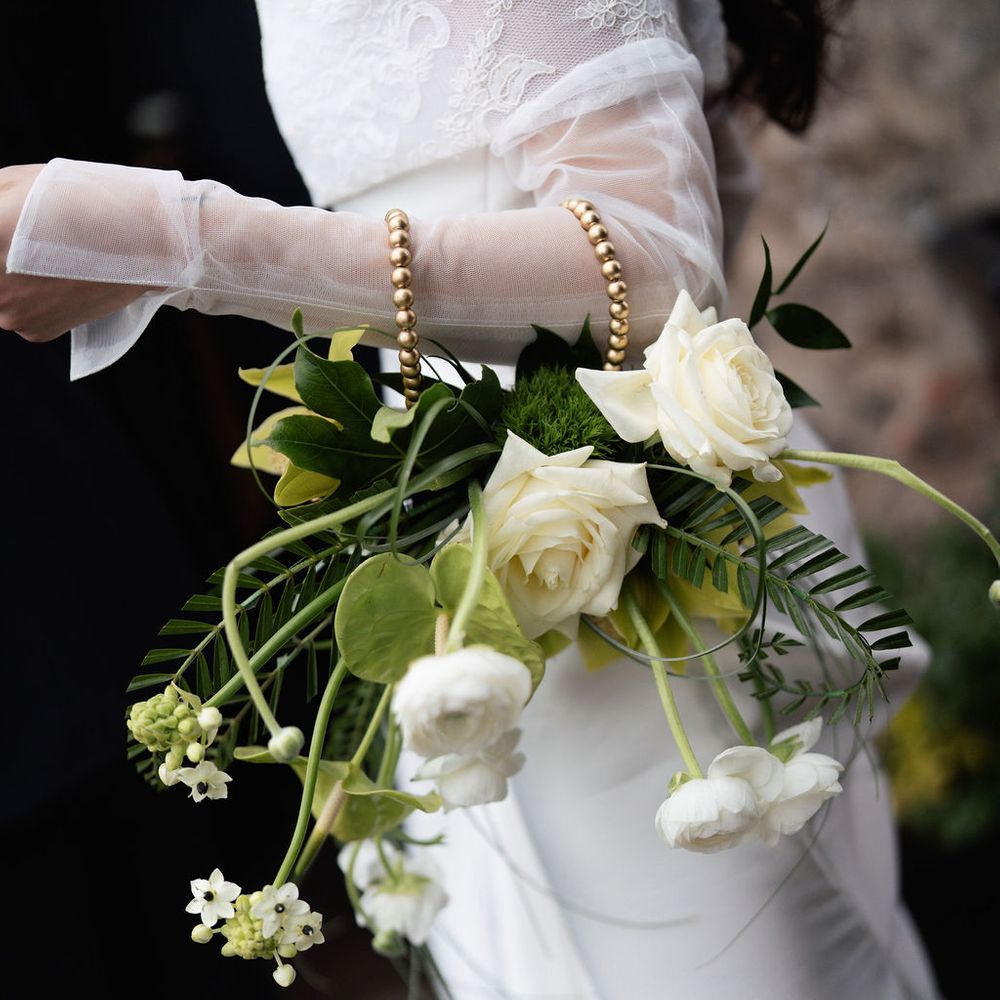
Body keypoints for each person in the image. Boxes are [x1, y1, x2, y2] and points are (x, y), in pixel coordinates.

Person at [1, 2, 941, 997]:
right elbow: (713, 176)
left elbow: (659, 269)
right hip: (476, 557)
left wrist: (176, 242)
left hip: (629, 571)